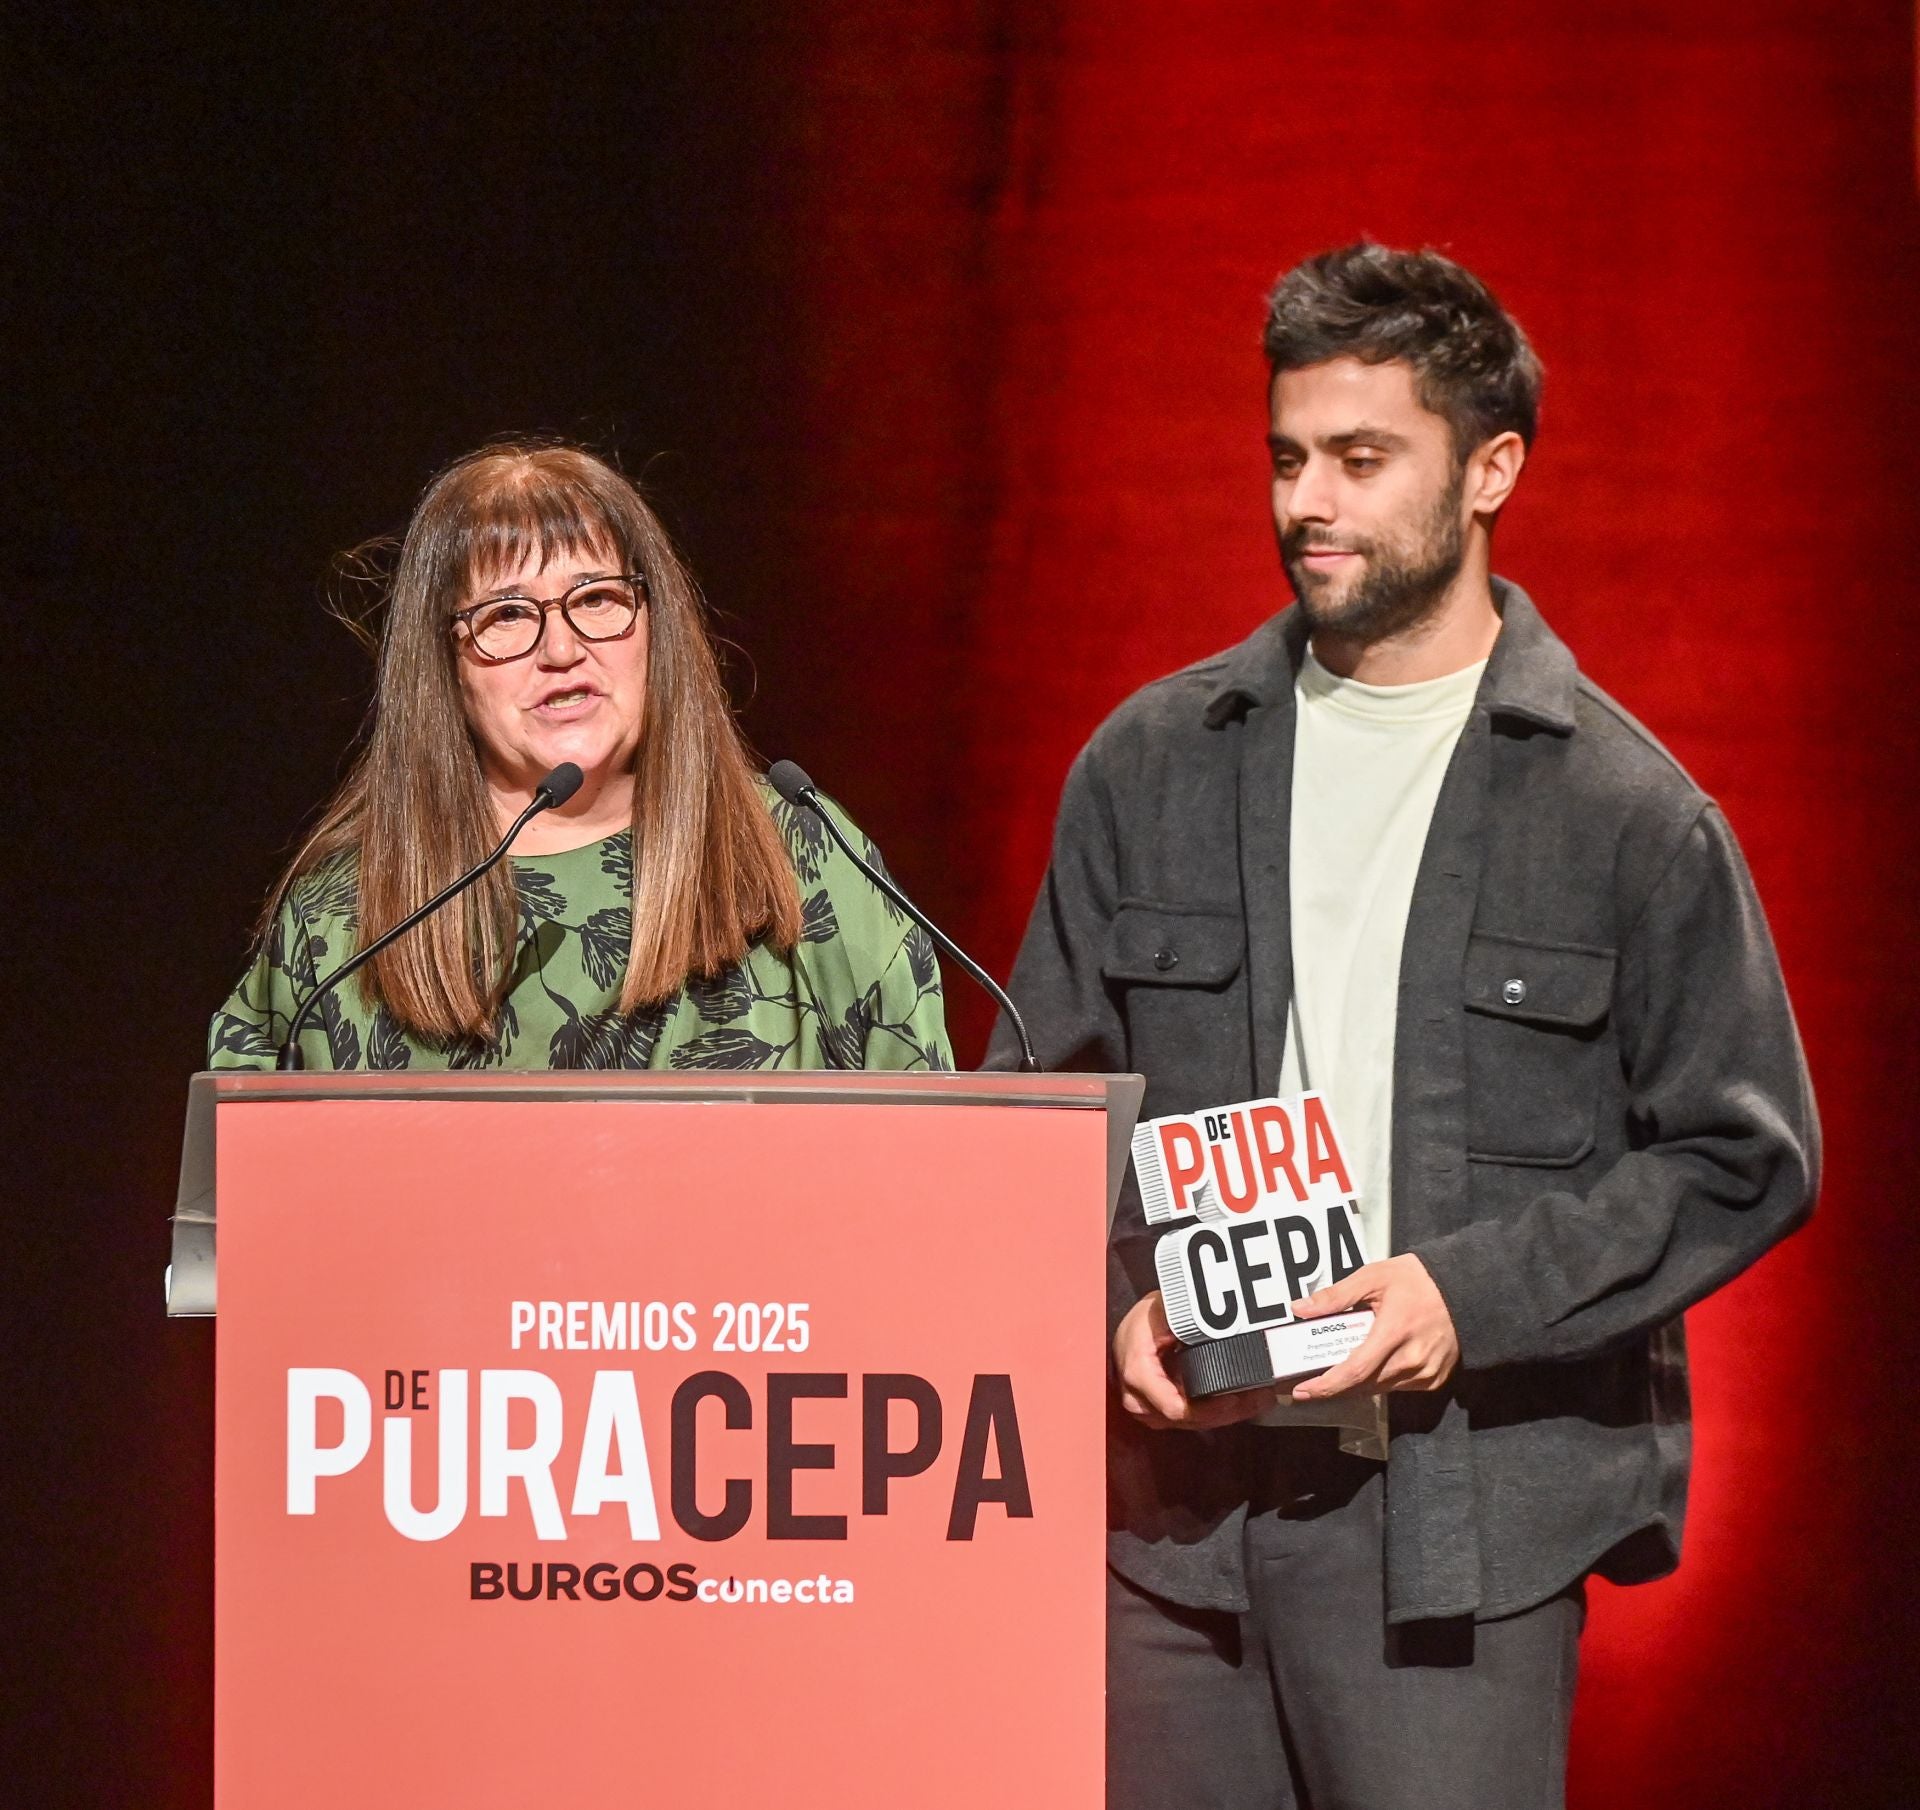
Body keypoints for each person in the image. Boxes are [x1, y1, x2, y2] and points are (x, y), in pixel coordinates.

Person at [991, 244, 1817, 1809]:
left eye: (1364, 460)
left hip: (1452, 1533)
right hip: (1177, 1536)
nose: (1311, 501)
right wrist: (1113, 1304)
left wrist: (1466, 1293)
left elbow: (1741, 1152)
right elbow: (1045, 1100)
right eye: (1289, 456)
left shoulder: (1626, 814)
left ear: (1492, 466)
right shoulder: (1152, 763)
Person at [211, 440, 950, 1075]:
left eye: (595, 599)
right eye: (506, 614)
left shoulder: (804, 861)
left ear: (653, 623)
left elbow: (927, 1173)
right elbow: (233, 1211)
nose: (562, 651)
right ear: (444, 666)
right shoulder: (340, 921)